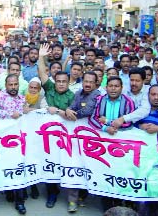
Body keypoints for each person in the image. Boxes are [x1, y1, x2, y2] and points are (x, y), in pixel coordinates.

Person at [38, 43, 74, 208]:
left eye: (63, 81)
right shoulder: (49, 88)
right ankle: (51, 193)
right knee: (48, 162)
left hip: (65, 139)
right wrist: (41, 57)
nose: (60, 84)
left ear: (68, 83)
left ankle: (67, 191)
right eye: (58, 81)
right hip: (47, 138)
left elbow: (74, 117)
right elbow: (42, 73)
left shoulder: (73, 96)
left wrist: (59, 111)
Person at [0, 74, 27, 214]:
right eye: (10, 85)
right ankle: (10, 193)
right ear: (6, 85)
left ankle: (20, 201)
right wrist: (11, 113)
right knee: (7, 167)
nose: (13, 87)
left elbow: (26, 114)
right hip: (3, 141)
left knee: (18, 168)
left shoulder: (22, 98)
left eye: (15, 84)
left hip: (19, 141)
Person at [65, 71, 99, 212]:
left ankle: (82, 196)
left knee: (88, 167)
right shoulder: (78, 93)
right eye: (86, 81)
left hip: (92, 137)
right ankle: (72, 200)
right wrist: (67, 110)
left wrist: (70, 113)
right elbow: (73, 106)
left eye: (91, 82)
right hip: (76, 136)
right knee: (74, 164)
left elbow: (87, 111)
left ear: (96, 83)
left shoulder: (97, 94)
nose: (88, 84)